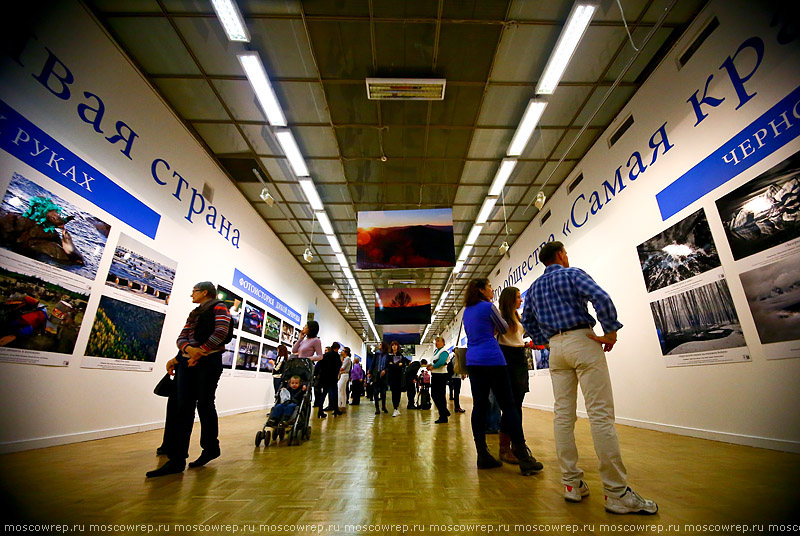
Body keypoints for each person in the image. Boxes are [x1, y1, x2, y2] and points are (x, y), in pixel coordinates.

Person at [521, 241, 657, 514]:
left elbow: (527, 321)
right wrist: (611, 331)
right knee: (600, 415)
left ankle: (571, 484)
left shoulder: (534, 288)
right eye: (566, 253)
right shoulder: (573, 274)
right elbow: (602, 298)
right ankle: (617, 491)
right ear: (560, 255)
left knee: (563, 416)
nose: (567, 257)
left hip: (556, 349)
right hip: (583, 339)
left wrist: (545, 342)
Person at [147, 281, 231, 477]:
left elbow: (221, 332)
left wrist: (200, 352)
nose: (191, 295)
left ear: (204, 292)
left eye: (193, 291)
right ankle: (177, 459)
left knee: (204, 405)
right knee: (183, 408)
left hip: (207, 363)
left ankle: (210, 448)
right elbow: (182, 337)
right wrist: (184, 353)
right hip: (189, 362)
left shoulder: (219, 307)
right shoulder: (195, 312)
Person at [462, 277, 542, 476]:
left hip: (474, 361)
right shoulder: (488, 307)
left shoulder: (467, 311)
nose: (491, 289)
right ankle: (523, 456)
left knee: (480, 406)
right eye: (489, 286)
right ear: (481, 290)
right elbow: (504, 327)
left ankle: (483, 454)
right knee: (509, 406)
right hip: (493, 359)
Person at [497, 286, 530, 464]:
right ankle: (508, 446)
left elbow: (517, 338)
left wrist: (525, 345)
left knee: (517, 404)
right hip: (507, 358)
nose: (521, 300)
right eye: (518, 297)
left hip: (519, 358)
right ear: (510, 299)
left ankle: (515, 445)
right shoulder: (501, 317)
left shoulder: (517, 316)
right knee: (512, 406)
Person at [317, 342, 342, 418]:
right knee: (334, 393)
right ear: (337, 348)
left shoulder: (325, 355)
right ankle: (335, 410)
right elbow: (338, 366)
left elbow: (319, 365)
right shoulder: (336, 356)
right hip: (332, 377)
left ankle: (320, 411)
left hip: (324, 377)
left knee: (323, 394)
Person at [429, 337, 451, 423]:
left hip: (441, 375)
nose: (436, 343)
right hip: (435, 375)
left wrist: (433, 366)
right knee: (435, 395)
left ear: (443, 343)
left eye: (438, 341)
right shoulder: (436, 351)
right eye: (435, 341)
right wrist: (430, 366)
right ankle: (444, 412)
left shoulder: (444, 351)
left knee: (440, 396)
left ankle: (443, 415)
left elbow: (441, 362)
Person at [385, 341, 409, 417]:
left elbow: (404, 364)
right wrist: (397, 365)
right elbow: (388, 365)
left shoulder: (400, 355)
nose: (394, 346)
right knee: (393, 392)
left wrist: (394, 365)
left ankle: (396, 408)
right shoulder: (389, 356)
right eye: (393, 345)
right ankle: (395, 408)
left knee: (398, 393)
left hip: (399, 377)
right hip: (391, 377)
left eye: (396, 345)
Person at [370, 342, 389, 415]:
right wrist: (370, 373)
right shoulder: (377, 354)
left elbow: (388, 366)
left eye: (380, 344)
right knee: (375, 392)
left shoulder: (387, 355)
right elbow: (373, 363)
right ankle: (377, 408)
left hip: (383, 376)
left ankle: (383, 406)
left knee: (383, 392)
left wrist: (385, 370)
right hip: (376, 375)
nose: (379, 346)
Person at [337, 346, 353, 412]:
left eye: (343, 350)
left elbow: (342, 368)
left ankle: (339, 405)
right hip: (344, 375)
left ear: (346, 352)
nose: (342, 352)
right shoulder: (345, 359)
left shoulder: (347, 359)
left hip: (344, 375)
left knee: (340, 389)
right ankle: (343, 405)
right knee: (342, 391)